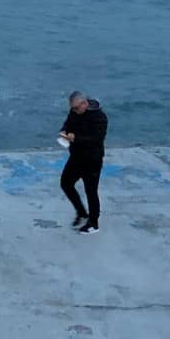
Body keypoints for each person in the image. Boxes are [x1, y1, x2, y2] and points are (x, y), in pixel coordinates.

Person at [58, 90, 107, 233]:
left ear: (84, 104)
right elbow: (67, 123)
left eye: (76, 108)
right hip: (76, 156)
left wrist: (75, 138)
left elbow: (95, 139)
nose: (73, 110)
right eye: (72, 108)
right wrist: (64, 132)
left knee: (91, 190)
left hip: (92, 159)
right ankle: (81, 212)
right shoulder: (74, 112)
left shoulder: (99, 117)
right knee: (66, 183)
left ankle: (93, 223)